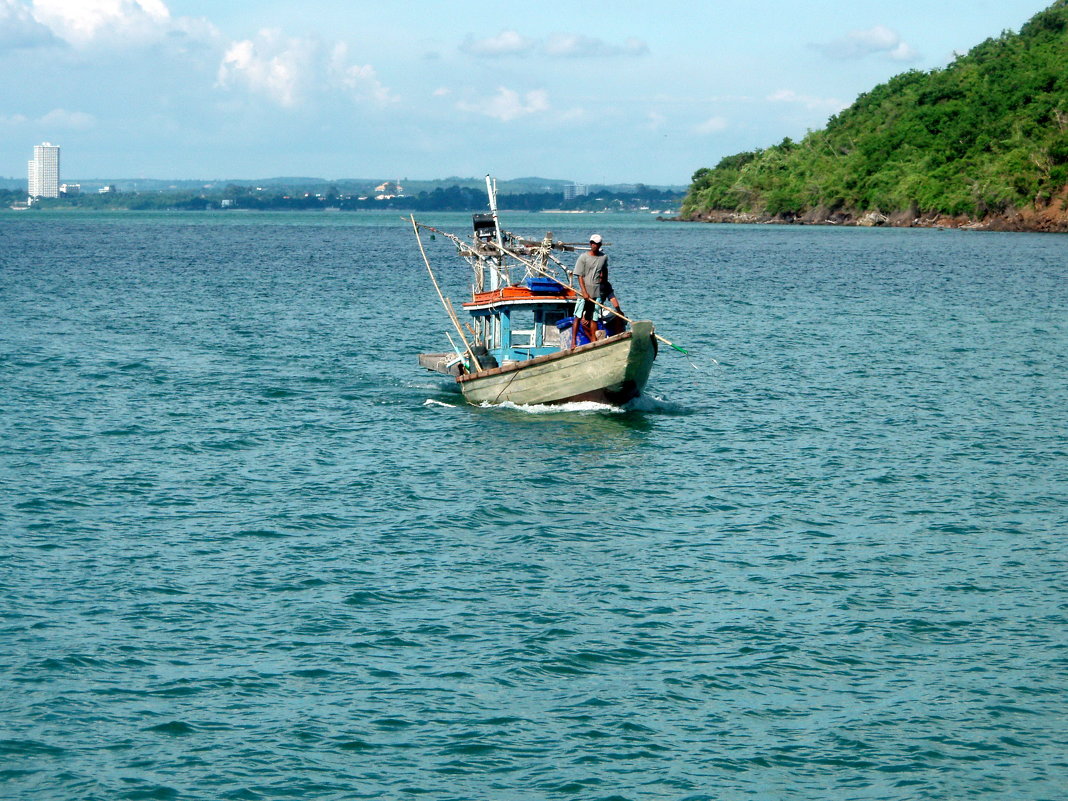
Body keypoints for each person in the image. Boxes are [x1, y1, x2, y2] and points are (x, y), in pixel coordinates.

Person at [571, 234, 608, 346]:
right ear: (590, 244)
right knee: (578, 316)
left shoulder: (603, 257)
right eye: (593, 243)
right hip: (584, 293)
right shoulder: (583, 257)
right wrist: (584, 292)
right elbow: (579, 276)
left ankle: (594, 340)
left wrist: (604, 288)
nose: (594, 246)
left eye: (597, 244)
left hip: (596, 291)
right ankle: (573, 342)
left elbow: (605, 272)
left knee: (594, 318)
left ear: (600, 245)